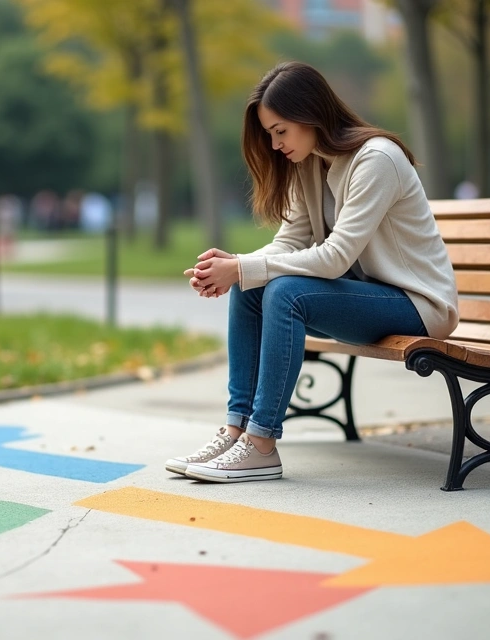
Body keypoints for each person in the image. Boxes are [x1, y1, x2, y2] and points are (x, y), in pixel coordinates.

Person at [169, 61, 459, 483]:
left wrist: (243, 268)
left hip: (417, 305)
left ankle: (262, 444)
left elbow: (336, 257)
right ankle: (237, 430)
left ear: (311, 116)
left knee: (283, 291)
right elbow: (289, 242)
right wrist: (237, 267)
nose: (274, 144)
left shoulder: (376, 160)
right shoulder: (311, 164)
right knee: (253, 287)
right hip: (366, 298)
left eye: (280, 131)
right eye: (270, 134)